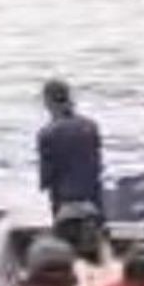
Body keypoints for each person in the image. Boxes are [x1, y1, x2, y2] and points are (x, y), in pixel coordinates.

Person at [36, 79, 103, 228]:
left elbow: (45, 179)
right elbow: (97, 166)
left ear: (47, 101)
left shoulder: (47, 134)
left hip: (65, 204)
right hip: (93, 201)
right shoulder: (91, 126)